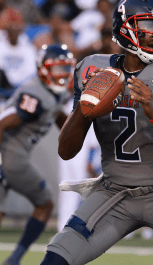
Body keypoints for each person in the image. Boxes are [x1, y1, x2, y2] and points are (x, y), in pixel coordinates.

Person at [41, 0, 153, 265]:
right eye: (151, 26)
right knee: (54, 261)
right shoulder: (92, 68)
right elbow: (66, 151)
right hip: (113, 192)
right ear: (126, 28)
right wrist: (86, 107)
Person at [0, 44, 74, 265]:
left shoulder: (53, 93)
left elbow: (57, 115)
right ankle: (14, 260)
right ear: (43, 69)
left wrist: (78, 126)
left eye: (65, 68)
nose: (62, 74)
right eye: (57, 69)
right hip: (8, 158)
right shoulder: (34, 95)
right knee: (45, 205)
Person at [57, 93, 100, 233]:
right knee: (78, 194)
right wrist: (90, 161)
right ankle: (72, 229)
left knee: (68, 193)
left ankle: (63, 229)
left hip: (67, 153)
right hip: (79, 154)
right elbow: (92, 140)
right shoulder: (91, 104)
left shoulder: (70, 103)